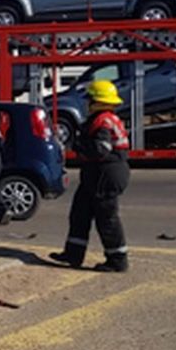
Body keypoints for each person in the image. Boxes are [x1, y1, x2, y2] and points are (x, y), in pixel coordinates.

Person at [50, 80, 131, 272]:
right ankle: (73, 254)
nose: (86, 103)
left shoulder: (102, 121)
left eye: (89, 99)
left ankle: (117, 260)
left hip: (105, 173)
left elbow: (100, 149)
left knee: (107, 218)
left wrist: (78, 146)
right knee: (80, 212)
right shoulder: (107, 118)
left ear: (97, 102)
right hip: (99, 173)